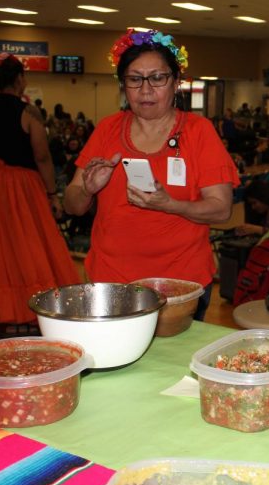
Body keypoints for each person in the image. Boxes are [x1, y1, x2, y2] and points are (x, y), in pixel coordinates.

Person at [63, 28, 240, 321]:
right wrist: (87, 189)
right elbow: (72, 204)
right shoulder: (107, 130)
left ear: (176, 82)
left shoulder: (199, 132)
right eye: (135, 79)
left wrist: (169, 204)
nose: (146, 90)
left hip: (181, 284)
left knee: (174, 366)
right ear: (124, 85)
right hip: (111, 281)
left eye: (157, 78)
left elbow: (221, 209)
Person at [0, 53, 80, 333]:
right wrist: (51, 194)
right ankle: (32, 311)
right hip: (21, 187)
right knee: (28, 247)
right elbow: (42, 157)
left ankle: (7, 314)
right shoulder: (29, 112)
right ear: (20, 79)